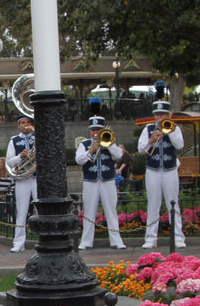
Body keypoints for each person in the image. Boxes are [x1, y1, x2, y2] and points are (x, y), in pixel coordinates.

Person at [137, 81, 185, 249]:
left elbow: (179, 145)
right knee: (153, 203)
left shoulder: (174, 128)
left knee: (173, 202)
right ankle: (150, 238)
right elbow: (141, 150)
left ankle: (178, 237)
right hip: (153, 170)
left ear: (167, 116)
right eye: (157, 115)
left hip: (170, 169)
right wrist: (151, 140)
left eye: (162, 115)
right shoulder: (148, 129)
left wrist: (169, 132)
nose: (159, 118)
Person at [76, 105, 127, 250]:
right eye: (93, 130)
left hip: (108, 180)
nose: (95, 133)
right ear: (89, 131)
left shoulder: (110, 142)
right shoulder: (84, 144)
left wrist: (108, 144)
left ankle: (116, 241)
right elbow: (79, 160)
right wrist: (91, 150)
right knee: (89, 211)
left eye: (98, 130)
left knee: (111, 210)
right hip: (90, 181)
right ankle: (86, 241)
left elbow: (119, 156)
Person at [4, 115, 37, 252]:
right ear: (18, 126)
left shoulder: (38, 138)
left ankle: (45, 239)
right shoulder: (14, 141)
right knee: (21, 211)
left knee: (41, 210)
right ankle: (18, 243)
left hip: (37, 178)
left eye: (28, 122)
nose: (26, 125)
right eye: (23, 123)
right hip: (22, 179)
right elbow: (9, 162)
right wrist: (21, 156)